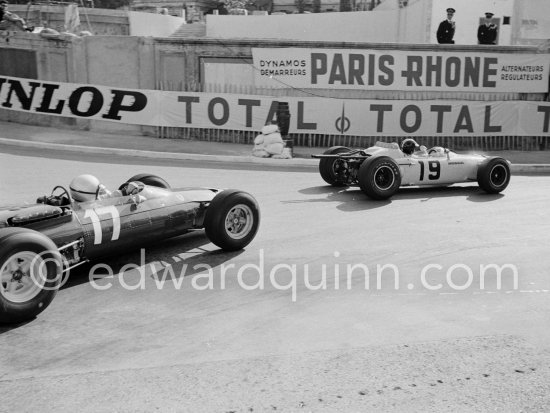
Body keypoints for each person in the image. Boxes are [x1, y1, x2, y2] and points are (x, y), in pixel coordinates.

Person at [69, 174, 144, 202]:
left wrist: (124, 192)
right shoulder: (97, 205)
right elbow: (110, 198)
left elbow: (109, 196)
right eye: (98, 192)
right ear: (89, 194)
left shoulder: (74, 205)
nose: (100, 193)